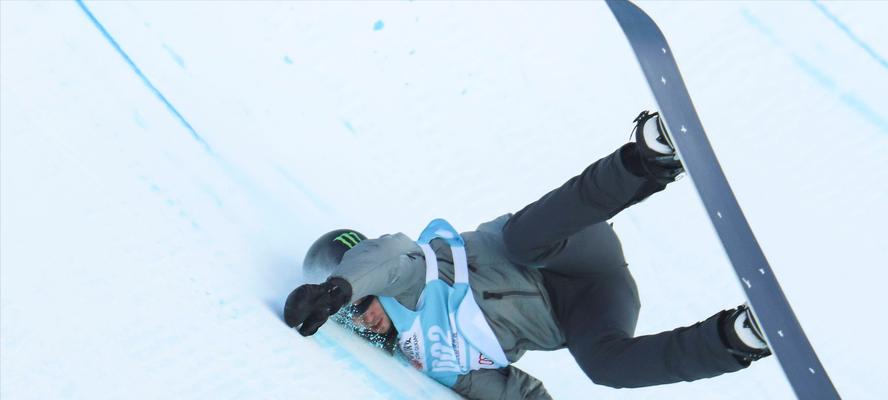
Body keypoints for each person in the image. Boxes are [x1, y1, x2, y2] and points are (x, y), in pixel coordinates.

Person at [284, 111, 772, 399]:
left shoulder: (406, 274)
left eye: (355, 301)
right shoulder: (435, 362)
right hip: (586, 308)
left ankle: (647, 160)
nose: (360, 315)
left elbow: (386, 256)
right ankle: (738, 338)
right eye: (350, 313)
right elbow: (520, 393)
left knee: (521, 239)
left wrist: (338, 287)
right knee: (605, 368)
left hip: (565, 251)